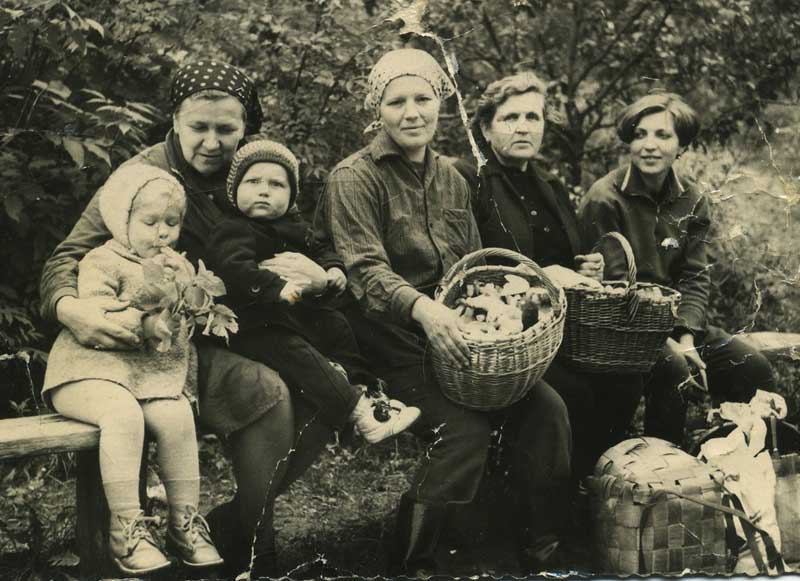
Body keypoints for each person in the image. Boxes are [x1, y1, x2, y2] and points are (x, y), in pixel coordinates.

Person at [38, 60, 311, 578]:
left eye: (226, 129)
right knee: (267, 390)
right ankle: (236, 546)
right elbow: (66, 259)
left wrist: (314, 272)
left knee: (323, 388)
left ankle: (240, 534)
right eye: (198, 127)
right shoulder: (141, 178)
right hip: (156, 348)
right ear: (175, 120)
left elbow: (297, 242)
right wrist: (72, 309)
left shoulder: (257, 172)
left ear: (246, 128)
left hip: (246, 328)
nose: (212, 141)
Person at [317, 48, 572, 576]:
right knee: (461, 431)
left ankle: (541, 552)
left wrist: (493, 311)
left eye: (423, 99)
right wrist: (426, 313)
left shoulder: (454, 177)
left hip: (457, 333)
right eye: (396, 102)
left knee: (546, 409)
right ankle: (415, 563)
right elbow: (365, 270)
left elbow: (469, 269)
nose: (412, 113)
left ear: (440, 104)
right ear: (377, 110)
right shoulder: (354, 177)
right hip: (388, 336)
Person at [452, 72, 643, 484]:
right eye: (510, 117)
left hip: (564, 327)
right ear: (485, 127)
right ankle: (548, 500)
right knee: (575, 392)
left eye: (533, 117)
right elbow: (469, 265)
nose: (524, 126)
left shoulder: (549, 185)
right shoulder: (471, 180)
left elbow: (564, 257)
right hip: (507, 334)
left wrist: (583, 267)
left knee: (627, 374)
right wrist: (539, 277)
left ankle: (596, 485)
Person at [42, 165, 223, 574]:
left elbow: (191, 309)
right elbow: (96, 314)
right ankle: (127, 529)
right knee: (122, 414)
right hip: (85, 371)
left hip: (144, 375)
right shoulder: (101, 261)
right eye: (150, 222)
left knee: (177, 416)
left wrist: (194, 299)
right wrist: (142, 322)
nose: (162, 233)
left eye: (172, 223)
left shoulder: (176, 264)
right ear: (123, 219)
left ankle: (185, 523)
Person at [578, 92, 775, 445]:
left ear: (681, 145)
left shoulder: (692, 199)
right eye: (640, 135)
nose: (649, 146)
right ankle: (664, 474)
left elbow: (695, 275)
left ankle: (736, 461)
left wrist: (686, 336)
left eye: (662, 135)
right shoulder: (604, 198)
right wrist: (673, 347)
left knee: (752, 366)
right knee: (676, 370)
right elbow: (614, 291)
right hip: (626, 330)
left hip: (678, 326)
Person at [206, 138, 420, 442]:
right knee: (297, 352)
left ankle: (367, 391)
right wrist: (276, 287)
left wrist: (333, 269)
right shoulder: (232, 229)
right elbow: (233, 267)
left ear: (291, 196)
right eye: (253, 181)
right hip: (256, 325)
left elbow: (320, 247)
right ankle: (359, 414)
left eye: (277, 185)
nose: (264, 190)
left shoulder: (293, 226)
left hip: (293, 317)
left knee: (338, 325)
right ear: (235, 191)